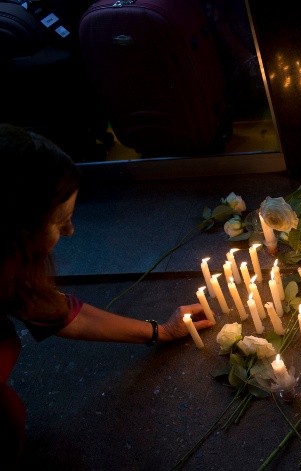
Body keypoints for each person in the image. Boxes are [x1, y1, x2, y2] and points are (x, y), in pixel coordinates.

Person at [0, 123, 214, 467]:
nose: (71, 231)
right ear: (15, 229)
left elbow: (60, 313)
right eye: (59, 221)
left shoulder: (10, 271)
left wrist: (161, 330)